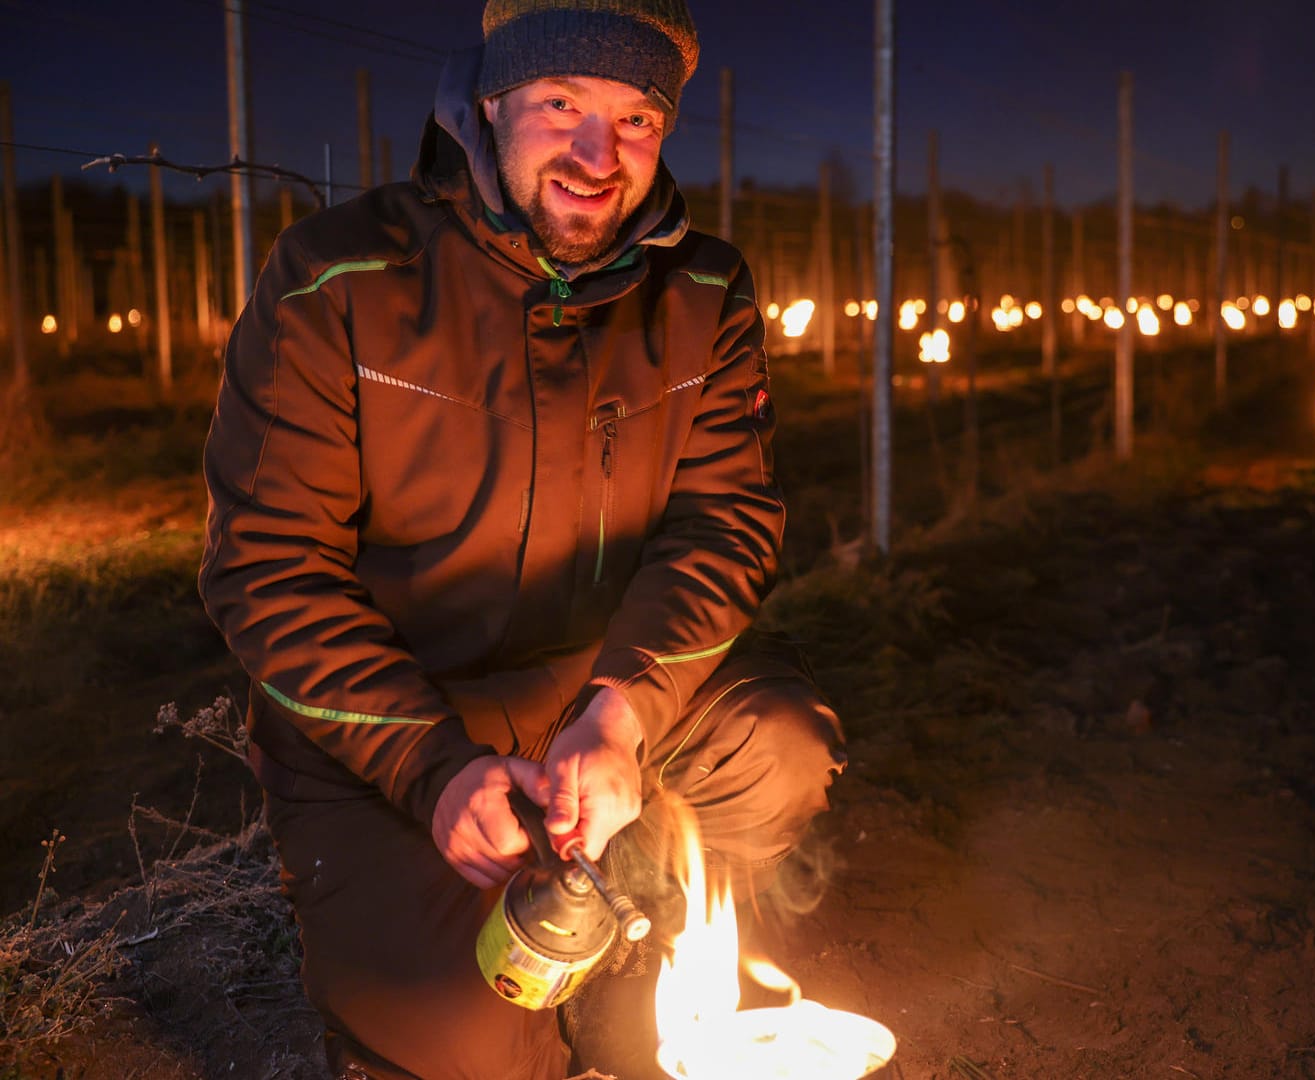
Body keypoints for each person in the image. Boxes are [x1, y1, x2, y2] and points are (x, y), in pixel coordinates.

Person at [197, 1, 846, 1075]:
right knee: (473, 1041)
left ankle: (632, 914)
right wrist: (429, 764)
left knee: (779, 750)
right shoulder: (336, 279)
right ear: (489, 102)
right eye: (561, 104)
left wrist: (625, 710)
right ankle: (455, 932)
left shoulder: (704, 290)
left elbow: (723, 523)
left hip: (599, 698)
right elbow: (267, 567)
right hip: (400, 731)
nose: (600, 157)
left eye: (637, 118)